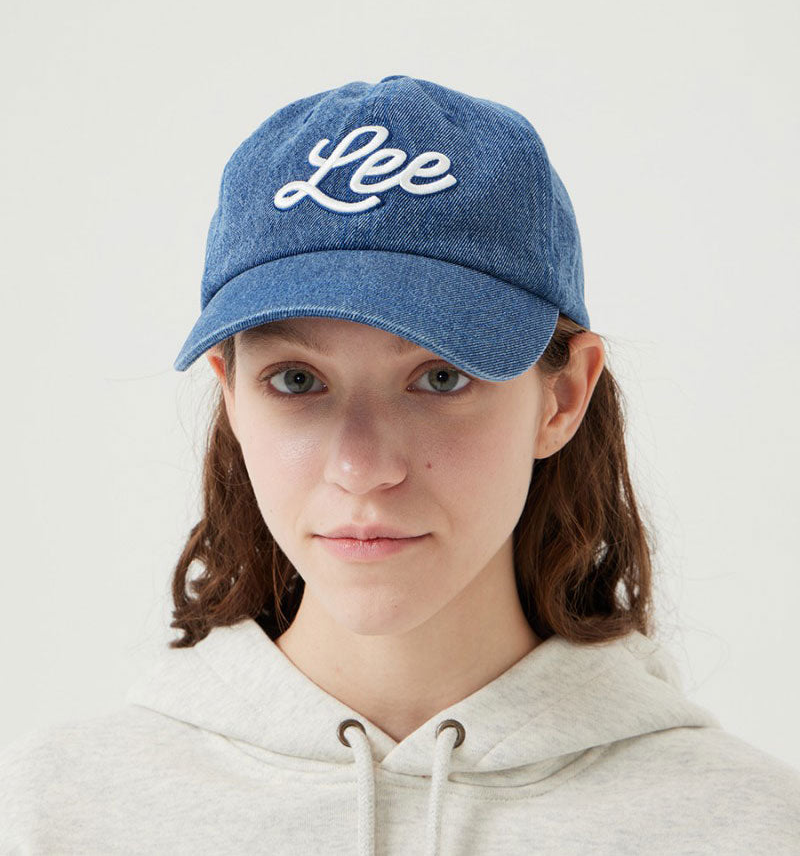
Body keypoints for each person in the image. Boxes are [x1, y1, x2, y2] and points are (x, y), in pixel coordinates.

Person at [1, 74, 798, 856]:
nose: (362, 468)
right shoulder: (56, 814)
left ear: (561, 398)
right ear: (232, 396)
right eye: (296, 380)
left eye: (440, 377)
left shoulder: (748, 829)